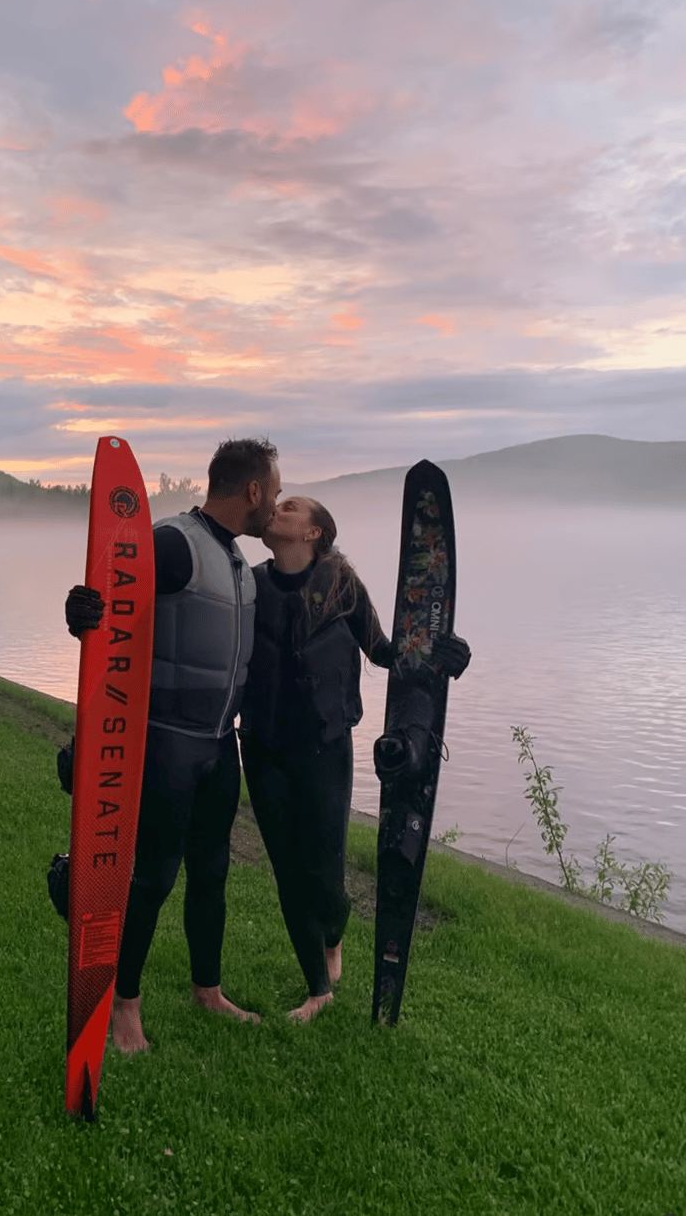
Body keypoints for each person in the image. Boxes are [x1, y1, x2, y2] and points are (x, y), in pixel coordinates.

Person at [65, 437, 281, 1054]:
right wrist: (81, 611)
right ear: (253, 491)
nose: (277, 501)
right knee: (153, 878)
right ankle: (124, 1007)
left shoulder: (237, 559)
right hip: (168, 745)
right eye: (277, 489)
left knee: (212, 872)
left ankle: (206, 990)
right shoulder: (175, 543)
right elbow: (106, 585)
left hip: (220, 747)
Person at [238, 495, 470, 1023]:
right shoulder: (249, 585)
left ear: (314, 532)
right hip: (262, 746)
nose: (277, 507)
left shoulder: (342, 588)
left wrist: (443, 654)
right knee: (288, 872)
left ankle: (334, 932)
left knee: (325, 875)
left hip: (325, 747)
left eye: (290, 505)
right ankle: (318, 989)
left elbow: (387, 654)